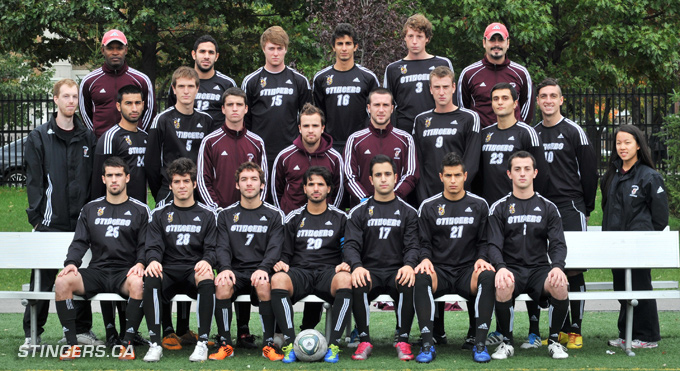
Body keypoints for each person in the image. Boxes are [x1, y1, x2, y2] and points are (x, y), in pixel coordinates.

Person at [21, 78, 97, 351]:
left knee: (81, 276)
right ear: (55, 99)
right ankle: (33, 332)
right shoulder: (39, 136)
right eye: (65, 96)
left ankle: (83, 329)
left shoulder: (88, 137)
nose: (70, 101)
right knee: (41, 279)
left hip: (81, 224)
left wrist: (90, 219)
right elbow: (34, 181)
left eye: (74, 97)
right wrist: (37, 218)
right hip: (49, 224)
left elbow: (91, 182)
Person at [54, 157, 149, 360]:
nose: (114, 180)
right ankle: (72, 344)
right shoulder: (90, 209)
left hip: (125, 271)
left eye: (118, 175)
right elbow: (79, 242)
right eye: (110, 176)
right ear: (103, 179)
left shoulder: (140, 209)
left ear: (127, 178)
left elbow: (145, 245)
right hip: (97, 271)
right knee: (62, 282)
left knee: (139, 284)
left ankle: (127, 344)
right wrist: (71, 263)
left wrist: (140, 264)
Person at [529, 78, 598, 350]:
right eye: (543, 96)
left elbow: (590, 173)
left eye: (553, 95)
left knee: (574, 270)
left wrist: (586, 208)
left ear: (561, 100)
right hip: (541, 207)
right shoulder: (533, 133)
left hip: (570, 207)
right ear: (537, 101)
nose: (548, 100)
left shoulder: (573, 131)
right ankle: (557, 331)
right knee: (547, 271)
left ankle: (576, 330)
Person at [487, 151, 570, 360]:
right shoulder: (499, 207)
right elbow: (493, 245)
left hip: (539, 270)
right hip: (511, 268)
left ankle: (554, 342)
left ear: (535, 173)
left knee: (559, 284)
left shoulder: (548, 207)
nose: (522, 174)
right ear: (509, 174)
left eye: (527, 169)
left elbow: (558, 243)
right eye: (517, 169)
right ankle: (506, 342)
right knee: (503, 284)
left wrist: (558, 266)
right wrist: (501, 267)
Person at [413, 152, 496, 363]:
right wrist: (425, 259)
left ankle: (479, 343)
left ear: (465, 176)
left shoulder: (479, 205)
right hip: (439, 270)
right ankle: (426, 344)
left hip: (467, 271)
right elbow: (424, 243)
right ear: (440, 176)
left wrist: (482, 258)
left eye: (457, 175)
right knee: (421, 276)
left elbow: (484, 241)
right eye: (448, 175)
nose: (452, 180)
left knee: (486, 275)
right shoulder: (429, 206)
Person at [270, 166, 351, 364]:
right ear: (304, 189)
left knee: (345, 279)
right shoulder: (294, 218)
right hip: (301, 272)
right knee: (279, 279)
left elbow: (349, 248)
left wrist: (346, 263)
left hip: (328, 272)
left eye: (320, 184)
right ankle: (290, 344)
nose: (316, 188)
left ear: (329, 189)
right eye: (311, 184)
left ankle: (333, 345)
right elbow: (286, 252)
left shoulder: (341, 218)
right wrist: (282, 263)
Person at [343, 154, 419, 361]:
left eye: (387, 174)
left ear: (395, 177)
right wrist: (357, 266)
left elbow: (413, 245)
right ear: (371, 179)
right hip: (370, 271)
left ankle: (403, 339)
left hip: (396, 270)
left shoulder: (409, 212)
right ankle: (364, 340)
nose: (383, 179)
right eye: (378, 175)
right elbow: (350, 245)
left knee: (410, 279)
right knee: (357, 280)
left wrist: (409, 265)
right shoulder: (359, 212)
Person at [142, 158, 217, 362]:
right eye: (177, 181)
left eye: (186, 181)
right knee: (151, 277)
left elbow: (212, 247)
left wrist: (207, 260)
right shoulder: (159, 214)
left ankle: (202, 343)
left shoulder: (208, 215)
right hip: (168, 270)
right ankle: (155, 343)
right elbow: (153, 245)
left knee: (207, 277)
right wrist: (154, 260)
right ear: (170, 185)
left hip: (193, 270)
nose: (181, 186)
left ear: (194, 184)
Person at [209, 162, 285, 361]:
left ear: (262, 185)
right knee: (223, 284)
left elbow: (275, 248)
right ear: (237, 185)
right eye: (244, 179)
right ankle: (225, 343)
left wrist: (264, 268)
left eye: (254, 179)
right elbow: (222, 246)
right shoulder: (225, 215)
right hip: (236, 271)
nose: (249, 184)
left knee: (263, 283)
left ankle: (269, 344)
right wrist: (224, 268)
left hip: (261, 270)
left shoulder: (274, 215)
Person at [601, 125, 668, 349]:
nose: (622, 147)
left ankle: (648, 337)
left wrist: (645, 238)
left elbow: (660, 218)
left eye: (627, 142)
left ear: (638, 145)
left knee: (639, 287)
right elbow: (606, 208)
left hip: (640, 245)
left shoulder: (650, 176)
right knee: (622, 288)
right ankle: (626, 334)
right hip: (615, 244)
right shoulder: (611, 175)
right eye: (619, 143)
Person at [242, 26, 312, 173]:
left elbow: (308, 118)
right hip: (259, 150)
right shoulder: (251, 81)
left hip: (291, 150)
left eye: (279, 48)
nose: (275, 53)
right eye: (271, 48)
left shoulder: (299, 80)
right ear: (263, 49)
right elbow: (245, 119)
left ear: (286, 49)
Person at [413, 66, 481, 202]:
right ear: (430, 89)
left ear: (453, 87)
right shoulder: (421, 120)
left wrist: (455, 192)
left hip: (460, 195)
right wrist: (423, 197)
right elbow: (418, 163)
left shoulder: (470, 118)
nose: (442, 92)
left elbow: (471, 162)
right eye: (437, 87)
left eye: (446, 86)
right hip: (429, 196)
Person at [148, 66, 214, 206]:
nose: (186, 91)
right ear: (174, 89)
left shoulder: (206, 120)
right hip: (170, 190)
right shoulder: (162, 120)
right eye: (181, 86)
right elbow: (151, 163)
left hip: (198, 190)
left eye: (190, 86)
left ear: (197, 88)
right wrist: (161, 190)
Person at [312, 23, 380, 153]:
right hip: (330, 144)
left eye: (348, 44)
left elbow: (376, 113)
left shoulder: (368, 77)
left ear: (355, 47)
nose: (344, 48)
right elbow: (318, 114)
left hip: (361, 142)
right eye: (340, 44)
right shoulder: (321, 79)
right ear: (333, 47)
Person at [344, 88, 419, 206]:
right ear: (369, 108)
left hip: (396, 209)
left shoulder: (405, 139)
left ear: (392, 109)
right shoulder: (355, 140)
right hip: (364, 210)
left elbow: (411, 175)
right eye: (376, 105)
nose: (381, 110)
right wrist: (365, 200)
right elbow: (349, 177)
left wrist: (393, 197)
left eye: (385, 105)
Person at [478, 83, 548, 205]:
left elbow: (540, 173)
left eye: (505, 98)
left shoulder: (527, 133)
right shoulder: (484, 134)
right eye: (496, 99)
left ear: (515, 103)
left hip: (519, 205)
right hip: (489, 205)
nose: (500, 102)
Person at [79, 29, 155, 138]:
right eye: (110, 48)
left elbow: (149, 112)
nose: (115, 52)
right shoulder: (89, 81)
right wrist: (96, 138)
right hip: (101, 143)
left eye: (119, 48)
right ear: (102, 50)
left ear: (126, 50)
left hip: (133, 143)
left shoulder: (141, 80)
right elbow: (85, 114)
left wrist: (140, 135)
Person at [384, 14, 453, 133]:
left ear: (427, 38)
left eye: (419, 36)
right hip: (404, 130)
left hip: (436, 128)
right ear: (404, 37)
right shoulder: (393, 69)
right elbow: (387, 104)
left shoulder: (442, 63)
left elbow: (452, 100)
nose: (414, 41)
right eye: (410, 36)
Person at [457, 22, 534, 129]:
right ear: (484, 43)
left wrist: (517, 131)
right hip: (481, 140)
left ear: (508, 43)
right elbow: (463, 111)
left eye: (501, 40)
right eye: (492, 40)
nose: (496, 44)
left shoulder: (521, 73)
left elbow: (527, 110)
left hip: (513, 139)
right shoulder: (469, 73)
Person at [272, 103, 344, 214]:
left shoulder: (334, 158)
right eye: (306, 126)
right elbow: (276, 191)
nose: (310, 130)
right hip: (291, 222)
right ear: (299, 128)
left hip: (324, 221)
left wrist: (330, 215)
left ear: (322, 128)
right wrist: (283, 216)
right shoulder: (284, 156)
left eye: (315, 126)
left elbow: (338, 192)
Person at [92, 85, 148, 203]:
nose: (134, 108)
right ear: (118, 106)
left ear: (143, 105)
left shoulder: (146, 137)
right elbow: (98, 180)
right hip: (116, 208)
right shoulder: (110, 137)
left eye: (137, 103)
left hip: (141, 207)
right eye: (128, 103)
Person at [167, 35, 237, 130]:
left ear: (216, 57)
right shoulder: (180, 82)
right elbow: (171, 114)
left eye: (211, 52)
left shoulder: (227, 84)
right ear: (193, 54)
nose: (206, 56)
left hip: (216, 141)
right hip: (185, 139)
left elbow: (235, 116)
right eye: (202, 51)